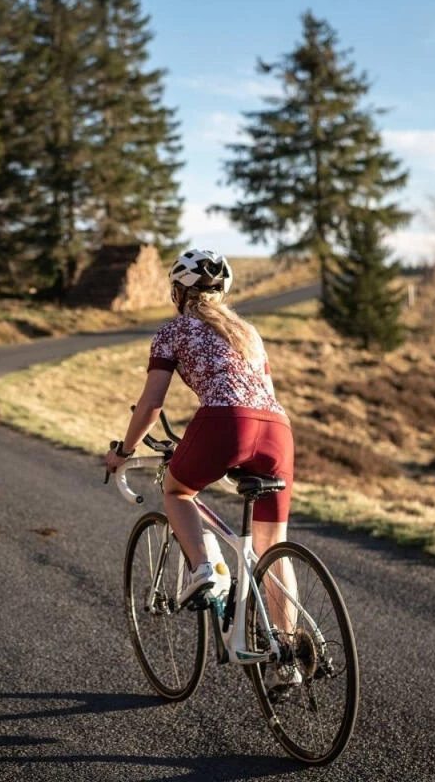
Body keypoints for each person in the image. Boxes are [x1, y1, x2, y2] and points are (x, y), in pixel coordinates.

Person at [104, 249, 295, 609]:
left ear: (178, 292)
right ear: (222, 292)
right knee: (273, 549)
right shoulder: (248, 333)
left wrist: (123, 451)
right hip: (278, 431)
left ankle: (205, 570)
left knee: (177, 492)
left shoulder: (173, 331)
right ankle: (292, 655)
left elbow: (151, 403)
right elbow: (266, 395)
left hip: (226, 422)